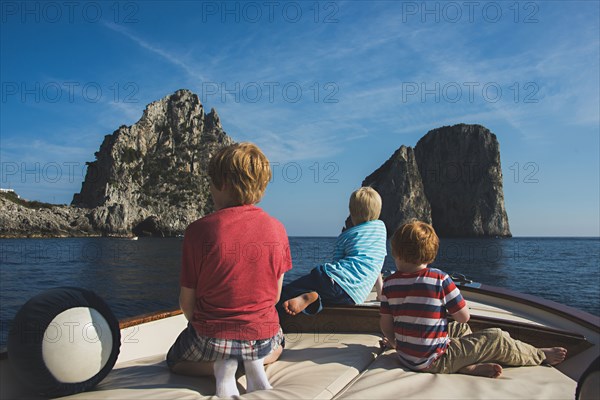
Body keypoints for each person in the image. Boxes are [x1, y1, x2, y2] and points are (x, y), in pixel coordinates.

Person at [166, 142, 292, 398]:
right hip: (261, 338)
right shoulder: (277, 229)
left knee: (174, 361)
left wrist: (206, 328)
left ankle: (221, 367)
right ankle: (254, 362)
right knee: (278, 345)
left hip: (212, 339)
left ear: (222, 183)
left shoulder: (198, 231)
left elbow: (186, 303)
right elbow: (276, 296)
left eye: (211, 182)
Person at [380, 220, 567, 378]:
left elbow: (386, 326)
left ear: (396, 252)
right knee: (496, 337)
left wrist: (397, 344)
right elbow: (464, 316)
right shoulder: (439, 279)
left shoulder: (390, 283)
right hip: (433, 361)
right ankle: (539, 354)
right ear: (430, 253)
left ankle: (465, 366)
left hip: (406, 357)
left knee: (460, 330)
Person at [280, 187, 387, 316]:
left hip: (331, 279)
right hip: (353, 297)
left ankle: (308, 296)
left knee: (287, 291)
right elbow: (377, 265)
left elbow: (336, 263)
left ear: (351, 213)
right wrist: (381, 294)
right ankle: (313, 296)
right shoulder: (381, 230)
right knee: (329, 296)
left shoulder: (346, 236)